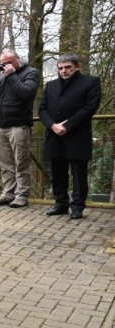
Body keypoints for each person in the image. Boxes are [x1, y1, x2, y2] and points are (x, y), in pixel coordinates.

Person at [39, 53, 102, 220]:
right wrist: (53, 125)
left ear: (77, 67)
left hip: (77, 135)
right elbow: (42, 109)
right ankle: (60, 204)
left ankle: (77, 207)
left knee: (78, 174)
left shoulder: (91, 82)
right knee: (58, 172)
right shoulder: (51, 85)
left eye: (68, 67)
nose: (64, 71)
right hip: (54, 135)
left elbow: (90, 107)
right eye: (61, 68)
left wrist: (67, 126)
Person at [0, 50, 41, 208]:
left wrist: (12, 75)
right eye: (4, 63)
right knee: (5, 163)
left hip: (19, 125)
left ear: (18, 59)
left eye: (10, 61)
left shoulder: (31, 72)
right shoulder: (1, 77)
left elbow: (27, 93)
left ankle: (22, 195)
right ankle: (8, 193)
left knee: (21, 163)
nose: (7, 65)